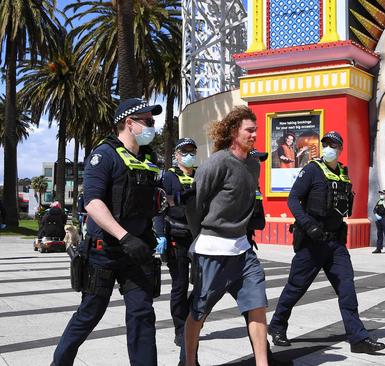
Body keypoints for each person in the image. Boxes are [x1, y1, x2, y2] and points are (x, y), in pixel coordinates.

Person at [52, 98, 163, 366]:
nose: (152, 126)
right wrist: (124, 236)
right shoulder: (104, 155)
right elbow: (92, 202)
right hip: (105, 251)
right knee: (91, 311)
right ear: (129, 123)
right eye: (148, 121)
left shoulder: (148, 158)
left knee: (142, 314)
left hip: (137, 252)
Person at [268, 131, 385, 354]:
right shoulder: (312, 169)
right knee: (296, 287)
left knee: (347, 288)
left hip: (335, 244)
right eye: (326, 144)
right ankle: (277, 325)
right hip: (312, 241)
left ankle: (358, 337)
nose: (329, 148)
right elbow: (293, 199)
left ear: (340, 149)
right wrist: (308, 224)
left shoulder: (343, 172)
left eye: (334, 145)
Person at [183, 106, 269, 366]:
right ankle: (189, 362)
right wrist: (200, 239)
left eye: (256, 130)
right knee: (199, 311)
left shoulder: (254, 165)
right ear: (234, 132)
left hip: (242, 251)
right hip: (212, 250)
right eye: (250, 130)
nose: (255, 134)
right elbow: (195, 205)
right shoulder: (216, 163)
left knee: (257, 305)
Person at [153, 138, 198, 349]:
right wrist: (160, 234)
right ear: (177, 155)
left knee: (203, 285)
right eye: (185, 151)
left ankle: (191, 321)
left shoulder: (201, 176)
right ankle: (180, 330)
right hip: (176, 238)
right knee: (179, 286)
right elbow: (159, 207)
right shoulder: (168, 177)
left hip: (198, 239)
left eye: (192, 151)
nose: (189, 155)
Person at [247, 149, 269, 248]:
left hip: (249, 230)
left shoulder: (255, 184)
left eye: (259, 160)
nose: (258, 163)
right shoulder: (240, 181)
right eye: (255, 159)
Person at [372, 189, 385, 254]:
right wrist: (376, 215)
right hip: (379, 220)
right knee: (379, 234)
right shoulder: (379, 201)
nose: (381, 195)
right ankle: (378, 248)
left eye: (382, 194)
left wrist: (384, 204)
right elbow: (374, 209)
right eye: (380, 194)